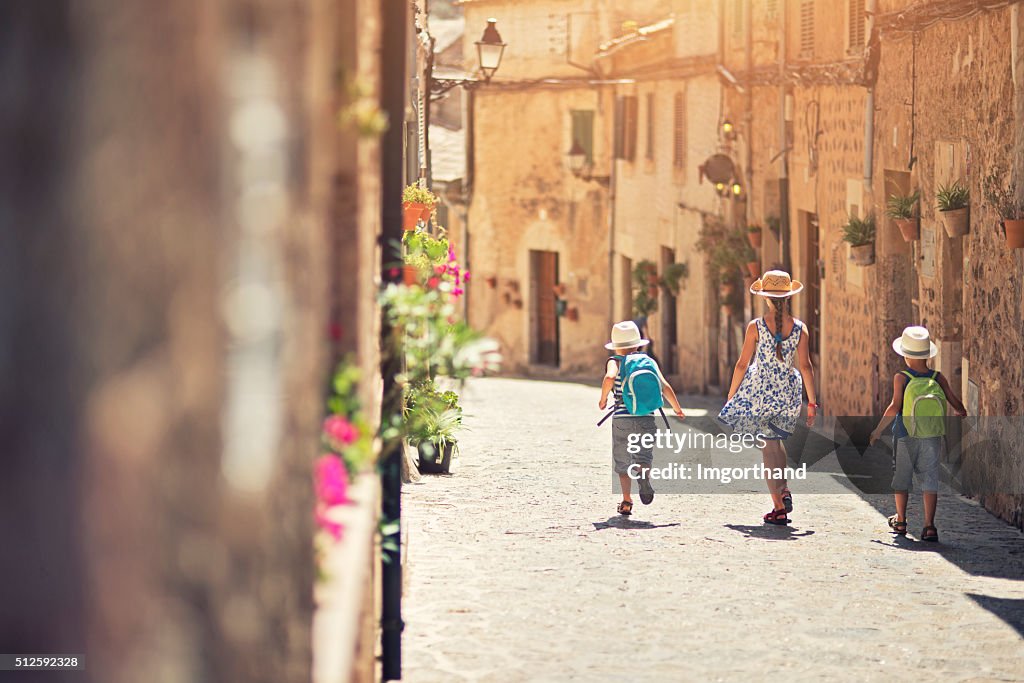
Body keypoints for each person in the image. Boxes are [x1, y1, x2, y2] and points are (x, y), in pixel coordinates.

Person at [718, 270, 817, 525]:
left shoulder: (756, 326)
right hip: (787, 392)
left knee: (768, 447)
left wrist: (732, 393)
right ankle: (783, 491)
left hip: (761, 391)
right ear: (788, 297)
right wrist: (813, 402)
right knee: (777, 442)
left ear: (765, 298)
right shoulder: (801, 329)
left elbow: (742, 364)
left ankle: (778, 505)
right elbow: (806, 366)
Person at [869, 326, 966, 542]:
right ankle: (929, 526)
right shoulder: (937, 377)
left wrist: (877, 430)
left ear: (905, 354)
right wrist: (961, 410)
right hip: (931, 435)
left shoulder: (901, 378)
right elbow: (953, 400)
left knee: (902, 477)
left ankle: (901, 520)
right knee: (930, 479)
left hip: (905, 434)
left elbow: (895, 407)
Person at [598, 321, 685, 516]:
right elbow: (665, 386)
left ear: (616, 346)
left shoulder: (615, 361)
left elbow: (610, 378)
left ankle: (627, 500)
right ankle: (644, 478)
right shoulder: (650, 362)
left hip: (622, 418)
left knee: (623, 460)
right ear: (638, 344)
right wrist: (677, 409)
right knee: (643, 456)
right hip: (647, 417)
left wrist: (603, 399)